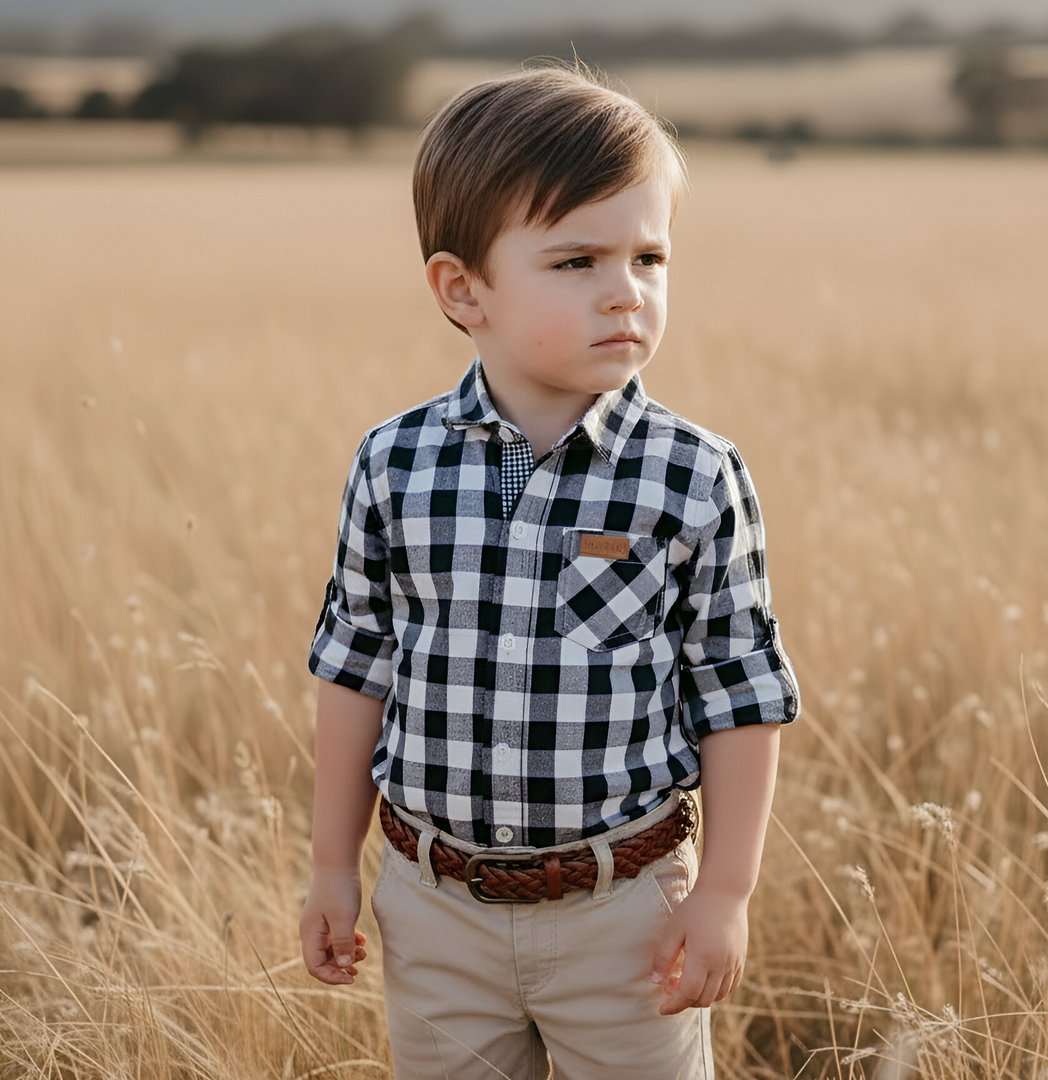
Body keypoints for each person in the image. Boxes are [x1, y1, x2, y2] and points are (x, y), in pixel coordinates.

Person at [299, 65, 800, 1080]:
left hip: (626, 911)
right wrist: (328, 867)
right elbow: (356, 665)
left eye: (650, 256)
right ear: (462, 289)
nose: (628, 291)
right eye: (576, 260)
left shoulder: (694, 475)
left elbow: (740, 693)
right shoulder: (395, 464)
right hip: (432, 903)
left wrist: (726, 896)